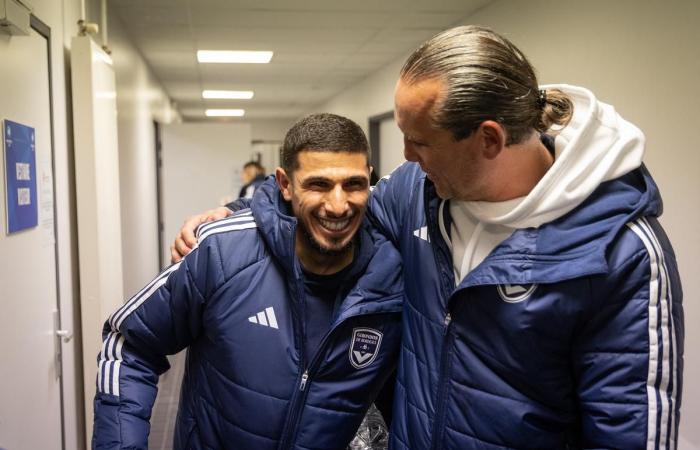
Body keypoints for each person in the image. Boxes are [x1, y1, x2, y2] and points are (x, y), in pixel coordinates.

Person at [172, 26, 684, 449]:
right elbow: (334, 208)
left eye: (419, 141)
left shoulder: (619, 250)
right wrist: (243, 210)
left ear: (489, 139)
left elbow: (629, 429)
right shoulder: (417, 192)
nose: (406, 157)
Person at [93, 113, 403, 450]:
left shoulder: (392, 273)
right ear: (285, 184)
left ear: (369, 180)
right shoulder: (222, 253)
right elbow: (129, 343)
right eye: (319, 185)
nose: (338, 205)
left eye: (353, 184)